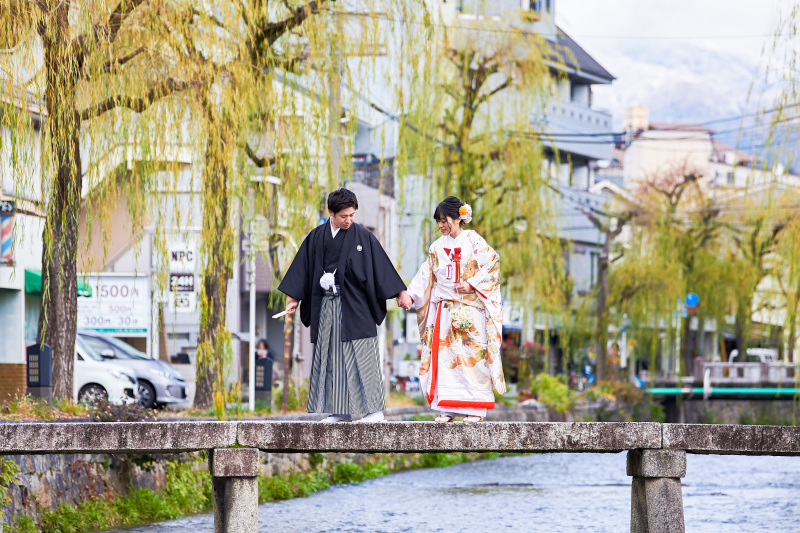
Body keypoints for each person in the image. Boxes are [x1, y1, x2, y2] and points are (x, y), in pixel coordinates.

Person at [278, 188, 413, 423]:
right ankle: (339, 411)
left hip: (356, 304)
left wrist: (400, 292)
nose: (349, 220)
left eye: (352, 215)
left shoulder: (363, 236)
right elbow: (303, 268)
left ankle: (374, 411)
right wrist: (293, 299)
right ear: (331, 212)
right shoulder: (316, 237)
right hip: (326, 305)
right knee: (334, 358)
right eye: (344, 216)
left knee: (363, 354)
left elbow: (380, 265)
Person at [406, 196, 505, 423]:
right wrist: (411, 295)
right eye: (439, 221)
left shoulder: (474, 241)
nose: (441, 225)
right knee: (446, 361)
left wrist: (470, 283)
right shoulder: (436, 247)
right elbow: (426, 274)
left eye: (445, 220)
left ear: (459, 217)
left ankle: (476, 410)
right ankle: (447, 408)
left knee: (472, 359)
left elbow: (493, 264)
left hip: (471, 310)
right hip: (446, 310)